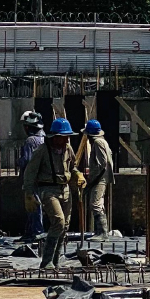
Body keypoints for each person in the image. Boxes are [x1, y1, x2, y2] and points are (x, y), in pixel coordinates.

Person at [23, 117, 75, 268]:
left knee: (64, 227)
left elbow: (73, 166)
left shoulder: (68, 149)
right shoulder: (42, 150)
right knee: (58, 221)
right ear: (55, 137)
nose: (66, 140)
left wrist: (77, 174)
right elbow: (30, 173)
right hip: (48, 190)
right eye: (63, 137)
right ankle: (46, 261)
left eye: (67, 136)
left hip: (64, 189)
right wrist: (29, 193)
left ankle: (55, 261)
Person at [80, 119, 114, 236]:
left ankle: (102, 233)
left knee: (95, 204)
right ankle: (100, 232)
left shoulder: (98, 143)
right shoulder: (102, 141)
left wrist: (93, 179)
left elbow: (102, 164)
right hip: (101, 177)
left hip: (100, 178)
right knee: (98, 203)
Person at [16, 111, 45, 242]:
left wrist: (19, 161)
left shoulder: (30, 141)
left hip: (31, 179)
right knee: (36, 206)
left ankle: (36, 232)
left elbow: (26, 161)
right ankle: (30, 232)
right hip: (44, 178)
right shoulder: (45, 139)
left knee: (33, 206)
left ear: (28, 127)